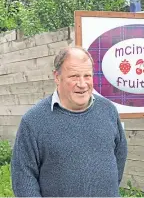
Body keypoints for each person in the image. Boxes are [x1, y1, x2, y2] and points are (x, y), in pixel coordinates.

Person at [11, 46, 128, 197]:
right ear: (57, 77)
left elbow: (119, 155)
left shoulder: (108, 110)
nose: (82, 84)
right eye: (74, 76)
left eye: (87, 76)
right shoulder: (33, 121)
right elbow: (23, 178)